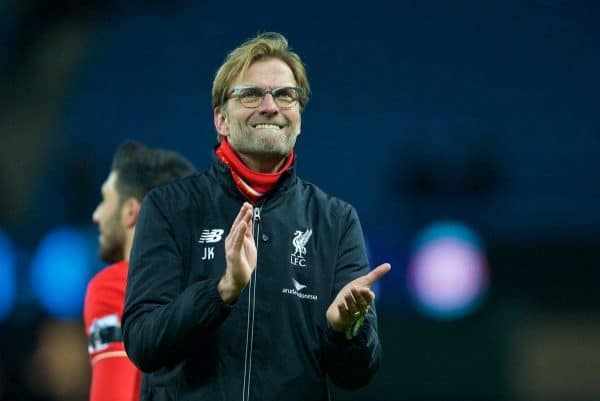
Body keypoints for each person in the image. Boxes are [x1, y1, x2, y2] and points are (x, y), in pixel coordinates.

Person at [122, 32, 391, 401]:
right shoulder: (169, 208)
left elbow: (357, 374)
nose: (270, 106)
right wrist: (221, 292)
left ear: (299, 118)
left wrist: (345, 330)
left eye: (285, 95)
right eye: (251, 94)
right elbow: (143, 344)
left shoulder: (336, 221)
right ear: (221, 119)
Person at [84, 140, 196, 401]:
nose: (96, 215)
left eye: (105, 199)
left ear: (130, 212)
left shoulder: (114, 284)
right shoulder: (211, 293)